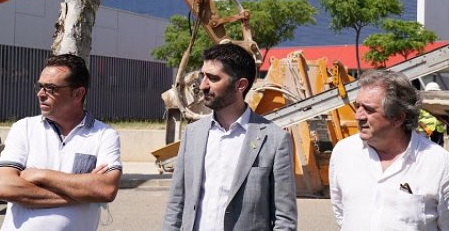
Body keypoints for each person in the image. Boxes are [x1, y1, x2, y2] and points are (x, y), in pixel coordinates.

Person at [162, 43, 297, 231]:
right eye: (203, 76)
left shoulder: (274, 139)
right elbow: (176, 202)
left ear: (240, 85)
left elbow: (284, 217)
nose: (203, 86)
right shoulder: (193, 134)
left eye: (213, 78)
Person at [0, 54, 122, 231]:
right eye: (40, 86)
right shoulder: (24, 128)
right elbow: (3, 188)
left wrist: (42, 175)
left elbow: (106, 190)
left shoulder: (104, 135)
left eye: (51, 88)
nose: (41, 94)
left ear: (78, 93)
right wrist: (84, 191)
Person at [329, 70, 449, 230]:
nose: (358, 116)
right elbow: (341, 214)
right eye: (357, 106)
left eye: (369, 110)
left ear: (398, 117)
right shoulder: (343, 153)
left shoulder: (438, 163)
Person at [418, 81, 447, 146]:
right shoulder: (422, 103)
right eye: (432, 91)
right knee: (424, 147)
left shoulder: (440, 102)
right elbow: (417, 119)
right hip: (424, 130)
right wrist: (425, 128)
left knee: (439, 147)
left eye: (435, 91)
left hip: (438, 129)